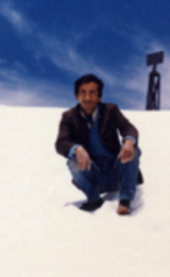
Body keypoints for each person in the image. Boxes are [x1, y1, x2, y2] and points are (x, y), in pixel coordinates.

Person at [55, 74, 142, 215]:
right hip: (94, 175)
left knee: (134, 150)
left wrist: (129, 141)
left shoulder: (110, 110)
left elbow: (128, 128)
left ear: (99, 97)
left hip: (117, 171)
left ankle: (125, 199)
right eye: (83, 92)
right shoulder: (69, 117)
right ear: (76, 96)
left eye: (92, 93)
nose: (87, 98)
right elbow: (61, 142)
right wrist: (76, 148)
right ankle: (93, 199)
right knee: (73, 161)